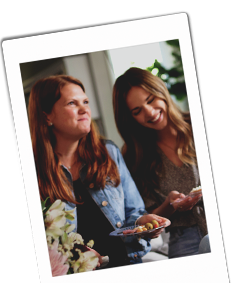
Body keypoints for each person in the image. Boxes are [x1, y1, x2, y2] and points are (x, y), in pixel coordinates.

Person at [28, 74, 170, 269]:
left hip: (128, 264)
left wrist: (141, 222)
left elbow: (133, 212)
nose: (84, 109)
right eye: (72, 103)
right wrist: (74, 254)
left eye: (85, 101)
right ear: (46, 115)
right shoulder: (32, 171)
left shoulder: (109, 152)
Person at [113, 67, 210, 259]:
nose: (149, 112)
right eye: (137, 110)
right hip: (184, 239)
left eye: (150, 100)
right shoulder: (135, 157)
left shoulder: (197, 123)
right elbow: (147, 215)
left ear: (161, 91)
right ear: (130, 118)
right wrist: (170, 204)